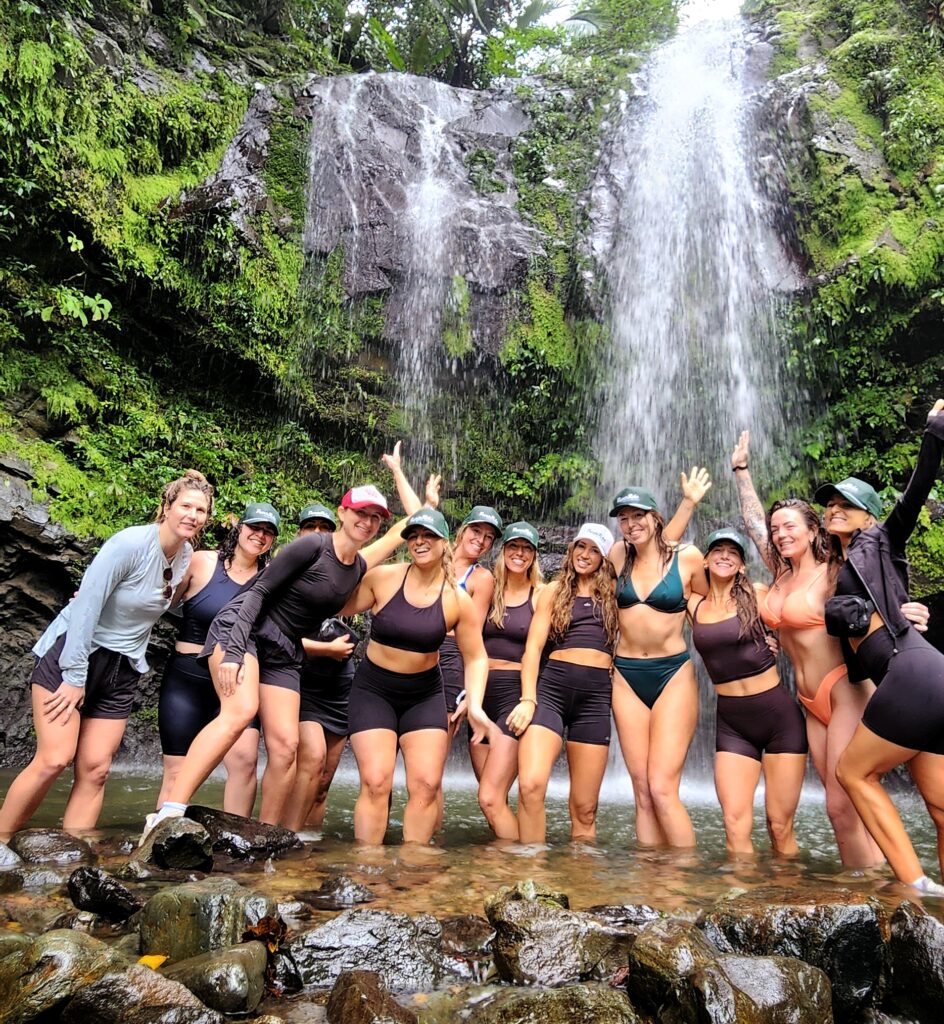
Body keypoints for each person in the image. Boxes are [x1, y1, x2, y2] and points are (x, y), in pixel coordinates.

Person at [145, 446, 432, 833]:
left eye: (375, 516)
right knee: (239, 712)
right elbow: (259, 592)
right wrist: (230, 650)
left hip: (284, 649)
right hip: (243, 631)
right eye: (359, 512)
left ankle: (266, 834)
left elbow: (415, 521)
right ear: (342, 513)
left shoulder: (361, 565)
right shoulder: (314, 545)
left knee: (286, 748)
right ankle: (171, 808)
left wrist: (403, 476)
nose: (367, 521)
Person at [0, 471, 213, 838]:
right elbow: (87, 607)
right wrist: (74, 675)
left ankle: (72, 854)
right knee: (54, 759)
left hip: (123, 668)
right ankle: (2, 839)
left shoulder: (185, 556)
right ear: (166, 507)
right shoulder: (129, 544)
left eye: (201, 510)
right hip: (74, 653)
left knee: (96, 769)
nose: (192, 515)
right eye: (186, 506)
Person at [733, 432, 886, 868]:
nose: (781, 535)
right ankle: (867, 892)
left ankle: (875, 890)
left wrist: (909, 611)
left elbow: (877, 589)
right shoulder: (780, 573)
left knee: (843, 801)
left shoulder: (835, 570)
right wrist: (741, 472)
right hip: (809, 701)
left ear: (813, 530)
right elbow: (753, 524)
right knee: (839, 807)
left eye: (791, 528)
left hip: (845, 692)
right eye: (777, 529)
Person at [823, 400, 944, 895]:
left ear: (869, 517)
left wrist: (935, 432)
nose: (833, 509)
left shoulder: (880, 542)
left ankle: (912, 884)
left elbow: (915, 494)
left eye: (845, 505)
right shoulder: (847, 562)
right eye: (829, 504)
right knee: (939, 806)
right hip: (929, 671)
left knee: (852, 772)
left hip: (909, 672)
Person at [344, 508, 489, 844]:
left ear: (445, 543)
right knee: (377, 782)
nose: (420, 542)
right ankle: (367, 864)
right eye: (413, 536)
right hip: (373, 690)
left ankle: (413, 866)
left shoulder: (458, 599)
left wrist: (476, 704)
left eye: (429, 536)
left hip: (423, 695)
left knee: (425, 785)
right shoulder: (383, 578)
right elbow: (339, 602)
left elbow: (477, 656)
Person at [156, 502, 280, 816]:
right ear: (239, 528)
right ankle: (159, 839)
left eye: (268, 532)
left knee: (244, 762)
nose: (260, 536)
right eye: (255, 527)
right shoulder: (202, 562)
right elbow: (161, 600)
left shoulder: (272, 579)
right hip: (188, 678)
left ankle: (236, 842)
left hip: (237, 678)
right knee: (176, 769)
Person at [689, 528, 808, 857]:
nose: (725, 556)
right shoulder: (694, 606)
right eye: (718, 550)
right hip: (732, 723)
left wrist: (779, 642)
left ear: (742, 564)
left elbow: (801, 616)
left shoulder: (757, 593)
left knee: (779, 824)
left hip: (778, 717)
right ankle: (742, 900)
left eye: (733, 552)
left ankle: (790, 896)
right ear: (705, 560)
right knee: (733, 821)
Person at [609, 482, 709, 848]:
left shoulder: (689, 557)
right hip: (625, 675)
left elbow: (711, 605)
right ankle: (650, 884)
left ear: (655, 518)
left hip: (673, 674)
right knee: (641, 789)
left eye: (638, 516)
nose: (631, 523)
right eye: (624, 518)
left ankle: (680, 883)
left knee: (663, 787)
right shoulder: (618, 555)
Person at [513, 524, 618, 844]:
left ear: (604, 558)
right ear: (571, 550)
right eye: (580, 547)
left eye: (594, 550)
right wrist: (528, 699)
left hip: (596, 697)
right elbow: (532, 650)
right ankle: (531, 874)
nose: (585, 555)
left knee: (585, 809)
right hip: (552, 691)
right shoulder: (553, 591)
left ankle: (581, 882)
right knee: (530, 786)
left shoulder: (616, 593)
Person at [465, 521, 544, 839]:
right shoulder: (486, 588)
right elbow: (465, 641)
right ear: (504, 550)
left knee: (489, 797)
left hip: (513, 697)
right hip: (480, 696)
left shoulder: (540, 595)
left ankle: (520, 863)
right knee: (491, 797)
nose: (519, 553)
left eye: (527, 548)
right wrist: (465, 697)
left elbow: (542, 649)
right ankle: (508, 865)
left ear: (534, 555)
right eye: (514, 546)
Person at [281, 504, 354, 833]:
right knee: (309, 763)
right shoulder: (287, 572)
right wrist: (327, 649)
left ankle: (311, 844)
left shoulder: (348, 570)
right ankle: (288, 836)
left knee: (324, 779)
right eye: (310, 527)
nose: (317, 533)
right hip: (302, 681)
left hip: (340, 688)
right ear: (299, 534)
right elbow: (277, 635)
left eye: (324, 527)